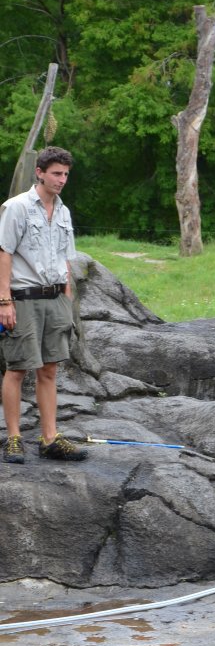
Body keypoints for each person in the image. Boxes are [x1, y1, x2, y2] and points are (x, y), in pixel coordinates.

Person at [0, 146, 88, 463]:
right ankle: (13, 439)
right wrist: (4, 301)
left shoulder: (63, 212)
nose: (61, 180)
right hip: (23, 298)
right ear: (39, 172)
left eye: (65, 174)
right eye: (56, 173)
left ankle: (50, 438)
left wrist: (67, 296)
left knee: (49, 369)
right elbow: (4, 252)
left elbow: (67, 257)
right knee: (18, 368)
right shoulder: (17, 207)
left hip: (55, 299)